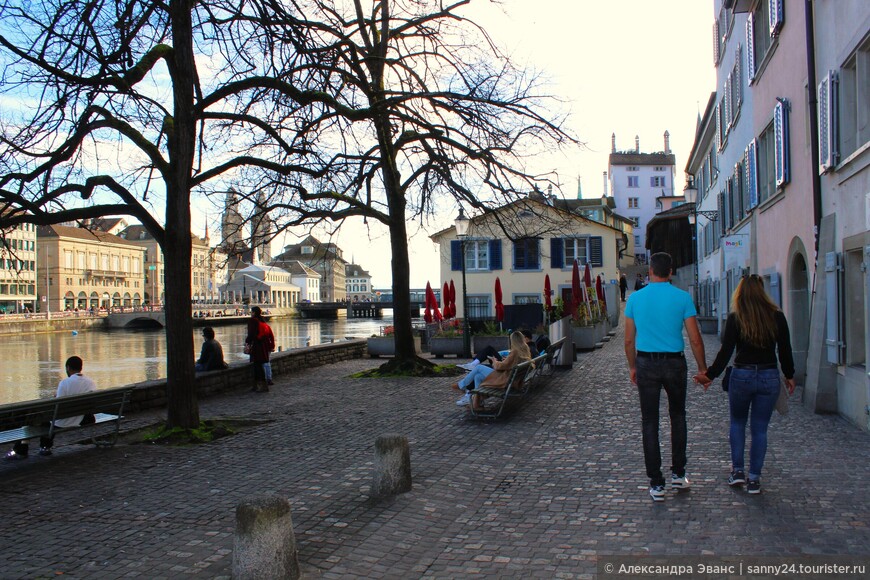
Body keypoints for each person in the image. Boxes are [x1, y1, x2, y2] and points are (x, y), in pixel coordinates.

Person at [693, 275, 796, 495]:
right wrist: (789, 375)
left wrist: (710, 375)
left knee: (737, 423)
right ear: (762, 292)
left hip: (742, 375)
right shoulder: (776, 317)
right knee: (760, 429)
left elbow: (726, 351)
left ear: (740, 293)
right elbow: (785, 349)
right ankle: (754, 479)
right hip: (768, 375)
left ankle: (737, 471)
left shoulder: (736, 318)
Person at [624, 252, 707, 502]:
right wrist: (703, 369)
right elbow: (694, 338)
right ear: (670, 272)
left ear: (650, 271)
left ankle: (656, 483)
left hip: (646, 362)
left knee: (649, 421)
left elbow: (628, 339)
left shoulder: (635, 299)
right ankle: (679, 474)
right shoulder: (682, 298)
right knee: (678, 416)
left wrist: (632, 367)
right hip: (674, 363)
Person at [5, 356, 96, 460]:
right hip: (82, 419)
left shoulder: (65, 383)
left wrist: (55, 397)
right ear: (81, 367)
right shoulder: (90, 382)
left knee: (33, 421)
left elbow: (58, 405)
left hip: (64, 421)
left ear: (68, 368)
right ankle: (43, 447)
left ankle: (23, 450)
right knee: (43, 420)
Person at [450, 331, 533, 409]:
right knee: (478, 376)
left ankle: (461, 385)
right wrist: (506, 359)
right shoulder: (525, 349)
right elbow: (510, 364)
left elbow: (500, 367)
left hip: (504, 379)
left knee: (479, 368)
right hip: (511, 379)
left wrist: (494, 361)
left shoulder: (515, 351)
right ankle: (477, 403)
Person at [245, 306, 272, 392]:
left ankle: (260, 386)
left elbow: (251, 334)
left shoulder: (253, 321)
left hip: (256, 346)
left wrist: (247, 342)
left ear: (254, 313)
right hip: (263, 346)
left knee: (257, 366)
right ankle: (259, 385)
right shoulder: (262, 321)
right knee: (259, 365)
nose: (251, 313)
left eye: (251, 312)